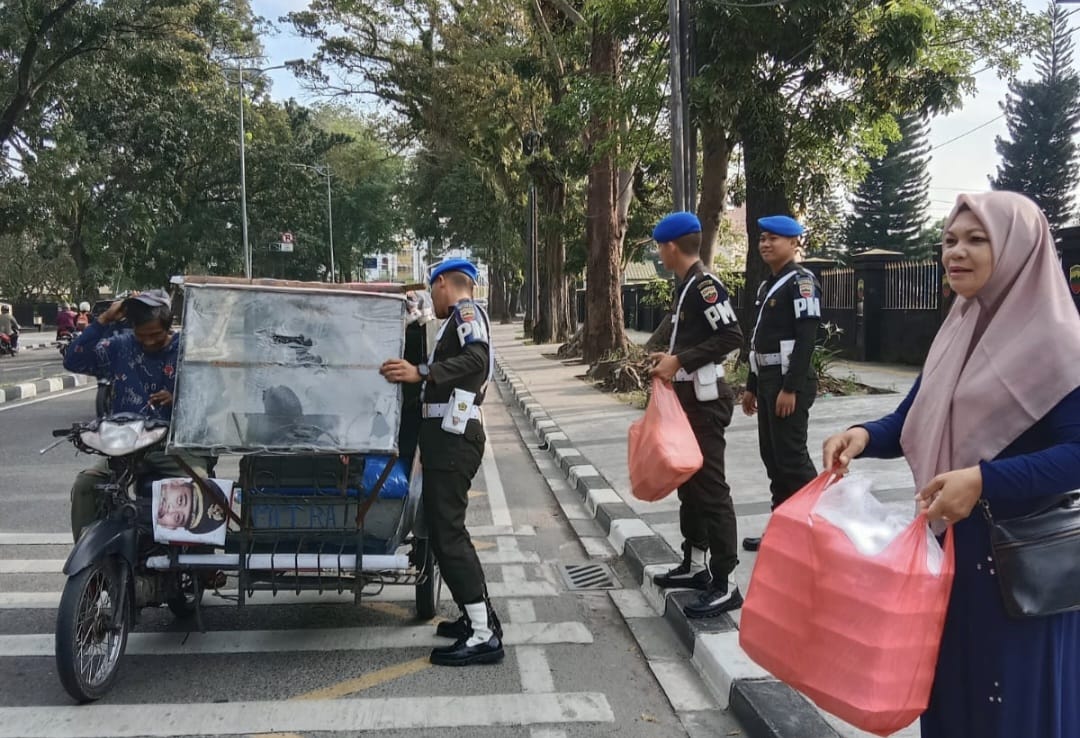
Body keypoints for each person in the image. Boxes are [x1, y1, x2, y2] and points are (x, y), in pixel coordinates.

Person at [823, 192, 1080, 738]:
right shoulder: (959, 328)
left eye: (976, 239)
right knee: (950, 699)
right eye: (949, 240)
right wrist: (862, 435)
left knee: (1009, 708)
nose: (955, 252)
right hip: (951, 558)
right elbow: (916, 416)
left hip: (1019, 568)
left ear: (1018, 249)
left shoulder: (1062, 343)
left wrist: (985, 479)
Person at [379, 258, 503, 666]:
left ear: (447, 284)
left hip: (454, 441)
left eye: (434, 290)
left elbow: (477, 360)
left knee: (449, 534)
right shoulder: (455, 321)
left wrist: (422, 371)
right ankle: (476, 616)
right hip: (445, 439)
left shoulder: (466, 311)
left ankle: (484, 633)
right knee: (443, 530)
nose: (432, 298)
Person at [645, 212, 745, 618]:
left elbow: (732, 336)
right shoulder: (686, 286)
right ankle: (695, 563)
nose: (658, 252)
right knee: (689, 484)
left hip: (705, 401)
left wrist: (680, 359)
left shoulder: (705, 286)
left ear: (671, 247)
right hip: (685, 398)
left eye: (658, 246)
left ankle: (725, 581)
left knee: (711, 489)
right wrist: (669, 359)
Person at [63, 289, 214, 541]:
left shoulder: (189, 350)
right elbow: (73, 360)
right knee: (86, 486)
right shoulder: (120, 346)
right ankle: (89, 561)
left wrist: (179, 398)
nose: (148, 342)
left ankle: (202, 560)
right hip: (127, 446)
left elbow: (213, 393)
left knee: (199, 485)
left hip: (173, 447)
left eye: (155, 335)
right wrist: (103, 321)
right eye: (141, 335)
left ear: (168, 327)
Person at [740, 215, 821, 552]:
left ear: (793, 243)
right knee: (772, 458)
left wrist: (790, 388)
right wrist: (751, 385)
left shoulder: (801, 282)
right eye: (762, 238)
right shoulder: (766, 284)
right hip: (768, 379)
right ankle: (782, 529)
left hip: (790, 383)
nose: (765, 244)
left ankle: (819, 528)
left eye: (774, 238)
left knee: (792, 460)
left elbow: (806, 340)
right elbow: (760, 341)